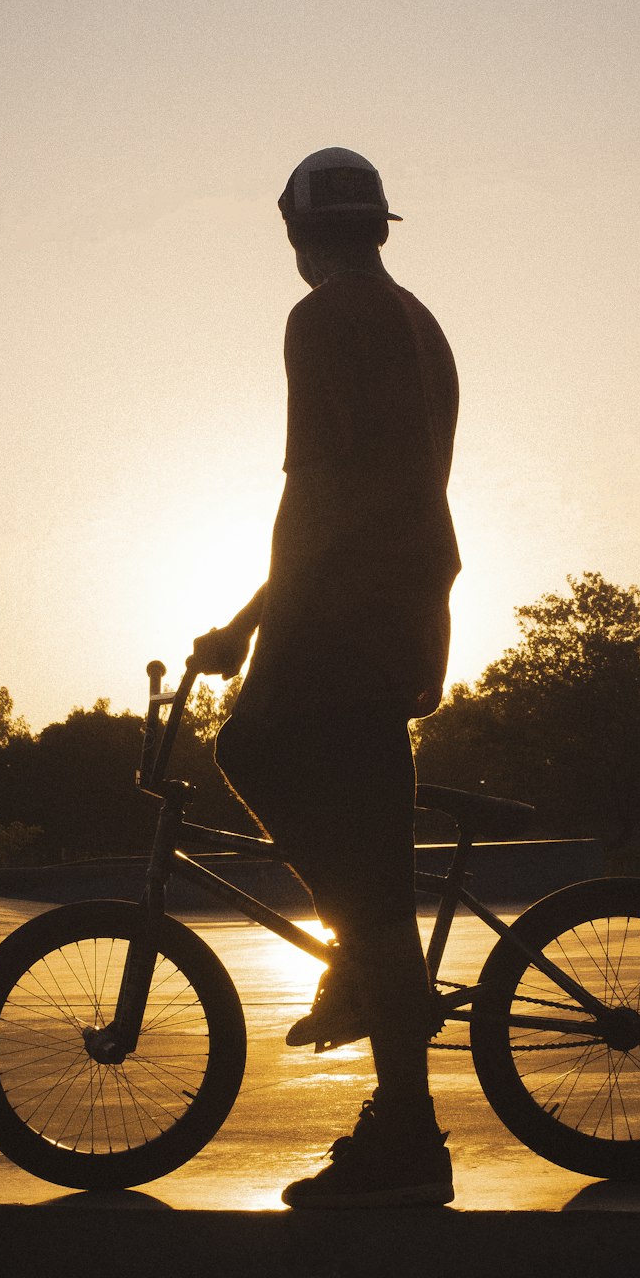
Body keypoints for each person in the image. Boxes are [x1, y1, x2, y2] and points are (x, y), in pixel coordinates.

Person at [188, 147, 461, 1208]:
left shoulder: (321, 318)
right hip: (406, 603)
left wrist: (254, 626)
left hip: (342, 607)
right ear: (378, 226)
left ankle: (399, 1116)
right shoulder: (419, 321)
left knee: (250, 747)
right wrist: (255, 618)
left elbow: (318, 492)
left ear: (299, 236)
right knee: (373, 864)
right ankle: (374, 990)